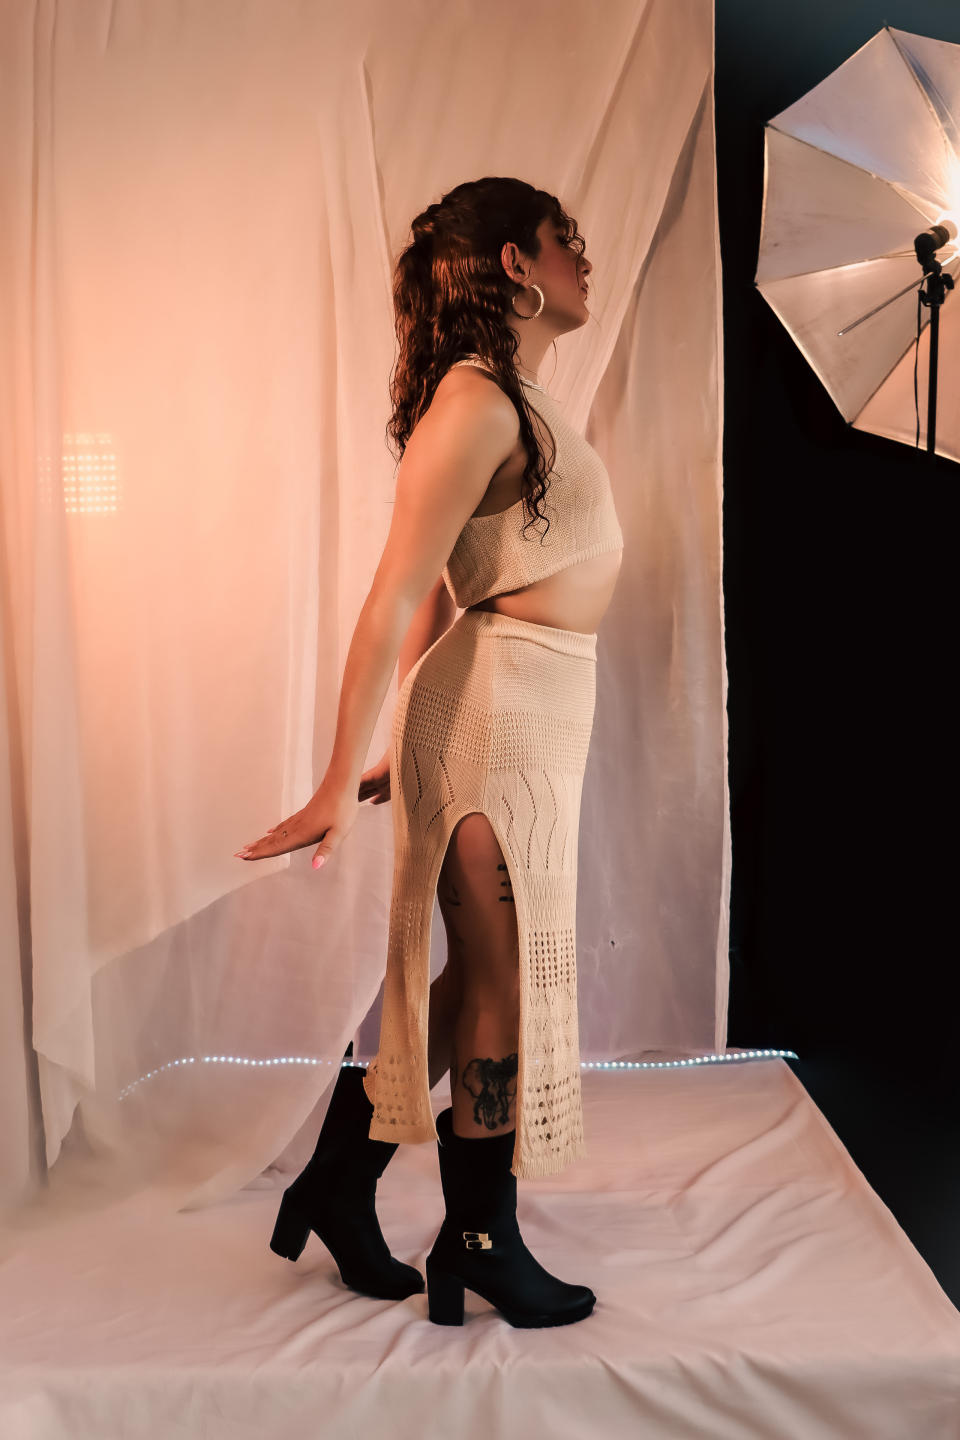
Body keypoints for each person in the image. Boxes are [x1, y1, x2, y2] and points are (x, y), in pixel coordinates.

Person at [238, 177, 624, 1328]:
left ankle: (335, 1183)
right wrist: (334, 776)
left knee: (470, 986)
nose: (584, 260)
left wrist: (402, 733)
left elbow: (443, 596)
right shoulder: (475, 400)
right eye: (567, 241)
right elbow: (395, 593)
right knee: (495, 984)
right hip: (497, 712)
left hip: (521, 706)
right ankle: (481, 1239)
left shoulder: (513, 399)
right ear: (516, 262)